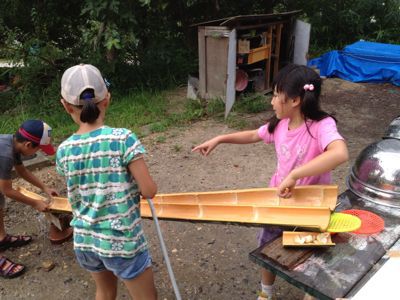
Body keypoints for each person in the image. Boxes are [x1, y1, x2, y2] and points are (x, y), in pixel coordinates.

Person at [192, 64, 349, 300]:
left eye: (276, 95)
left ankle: (311, 291)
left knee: (312, 252)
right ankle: (265, 293)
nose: (272, 101)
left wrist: (295, 175)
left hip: (312, 208)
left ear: (295, 100)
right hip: (279, 202)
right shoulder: (280, 124)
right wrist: (220, 138)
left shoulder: (322, 125)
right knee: (269, 250)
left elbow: (340, 153)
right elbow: (254, 135)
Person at [56, 64, 157, 300]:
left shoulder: (63, 150)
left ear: (65, 105)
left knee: (104, 292)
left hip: (85, 240)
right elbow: (149, 190)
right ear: (107, 99)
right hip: (121, 241)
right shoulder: (123, 138)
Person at [0, 119, 57, 278]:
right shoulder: (4, 154)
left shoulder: (13, 145)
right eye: (39, 148)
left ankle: (2, 238)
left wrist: (45, 188)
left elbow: (22, 172)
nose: (38, 152)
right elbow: (7, 190)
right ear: (28, 145)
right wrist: (35, 203)